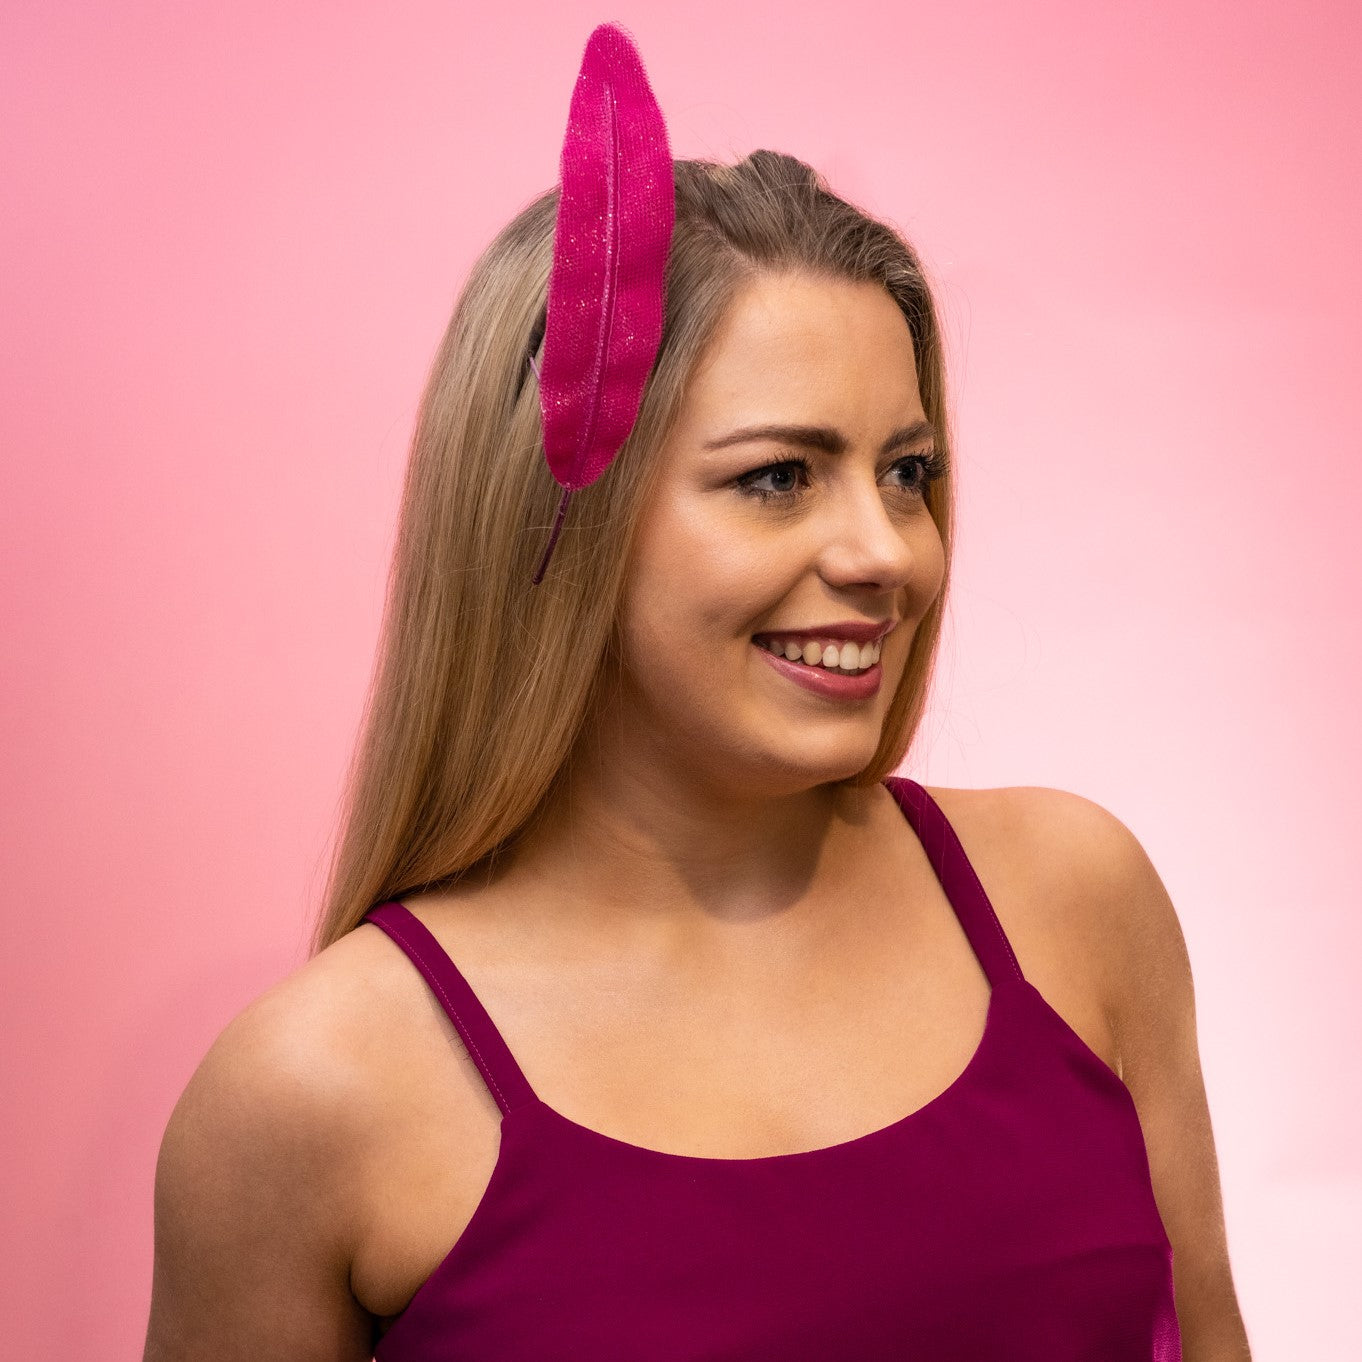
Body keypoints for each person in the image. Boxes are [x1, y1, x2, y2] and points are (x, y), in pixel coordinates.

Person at [142, 35, 1252, 1362]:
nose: (888, 551)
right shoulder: (319, 1088)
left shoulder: (1073, 900)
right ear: (561, 521)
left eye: (906, 470)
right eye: (781, 475)